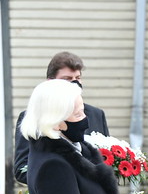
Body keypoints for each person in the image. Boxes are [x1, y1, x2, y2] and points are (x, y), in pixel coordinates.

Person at [14, 51, 109, 184]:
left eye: (78, 78)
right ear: (50, 83)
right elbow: (21, 169)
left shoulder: (96, 114)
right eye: (67, 79)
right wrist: (61, 175)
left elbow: (106, 158)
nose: (75, 83)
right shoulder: (33, 116)